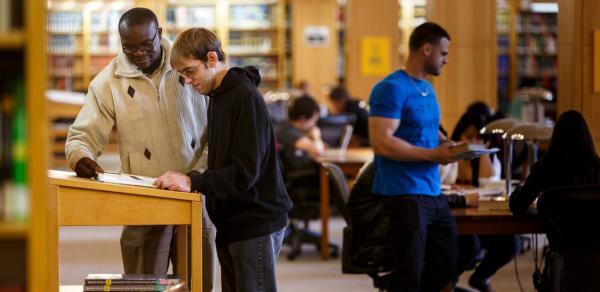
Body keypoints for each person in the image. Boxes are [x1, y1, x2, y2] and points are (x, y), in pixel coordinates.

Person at [64, 8, 217, 291]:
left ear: (159, 34)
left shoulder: (189, 65)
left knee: (198, 283)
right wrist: (79, 156)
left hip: (196, 194)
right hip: (144, 198)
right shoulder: (108, 82)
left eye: (146, 45)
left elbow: (215, 133)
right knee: (143, 285)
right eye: (129, 47)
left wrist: (199, 174)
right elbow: (81, 135)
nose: (138, 53)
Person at [154, 27, 292, 292]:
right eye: (183, 75)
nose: (188, 82)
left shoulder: (244, 98)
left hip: (255, 221)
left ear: (212, 59)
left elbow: (243, 174)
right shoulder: (217, 96)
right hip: (231, 220)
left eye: (190, 72)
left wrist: (192, 181)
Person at [367, 22, 459, 291]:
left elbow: (425, 129)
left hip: (431, 189)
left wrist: (447, 144)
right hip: (403, 192)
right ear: (426, 49)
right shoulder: (391, 88)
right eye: (443, 53)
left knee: (448, 263)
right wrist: (432, 154)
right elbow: (382, 142)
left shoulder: (427, 89)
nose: (446, 59)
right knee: (409, 273)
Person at [445, 111, 519, 292]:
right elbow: (444, 183)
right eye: (468, 136)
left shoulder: (489, 157)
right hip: (454, 217)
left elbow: (488, 183)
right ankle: (446, 285)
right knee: (470, 245)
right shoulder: (448, 155)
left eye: (478, 138)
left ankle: (480, 277)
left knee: (511, 243)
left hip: (481, 215)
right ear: (458, 134)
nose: (472, 141)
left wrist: (483, 153)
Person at [510, 110, 600, 215]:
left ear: (556, 135)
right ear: (586, 136)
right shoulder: (597, 167)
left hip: (556, 230)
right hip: (590, 230)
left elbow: (517, 206)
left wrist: (519, 189)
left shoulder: (544, 167)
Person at [276, 95, 324, 180]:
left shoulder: (287, 128)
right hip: (300, 176)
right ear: (302, 118)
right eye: (313, 120)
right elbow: (318, 150)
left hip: (301, 172)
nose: (314, 125)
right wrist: (317, 136)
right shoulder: (286, 131)